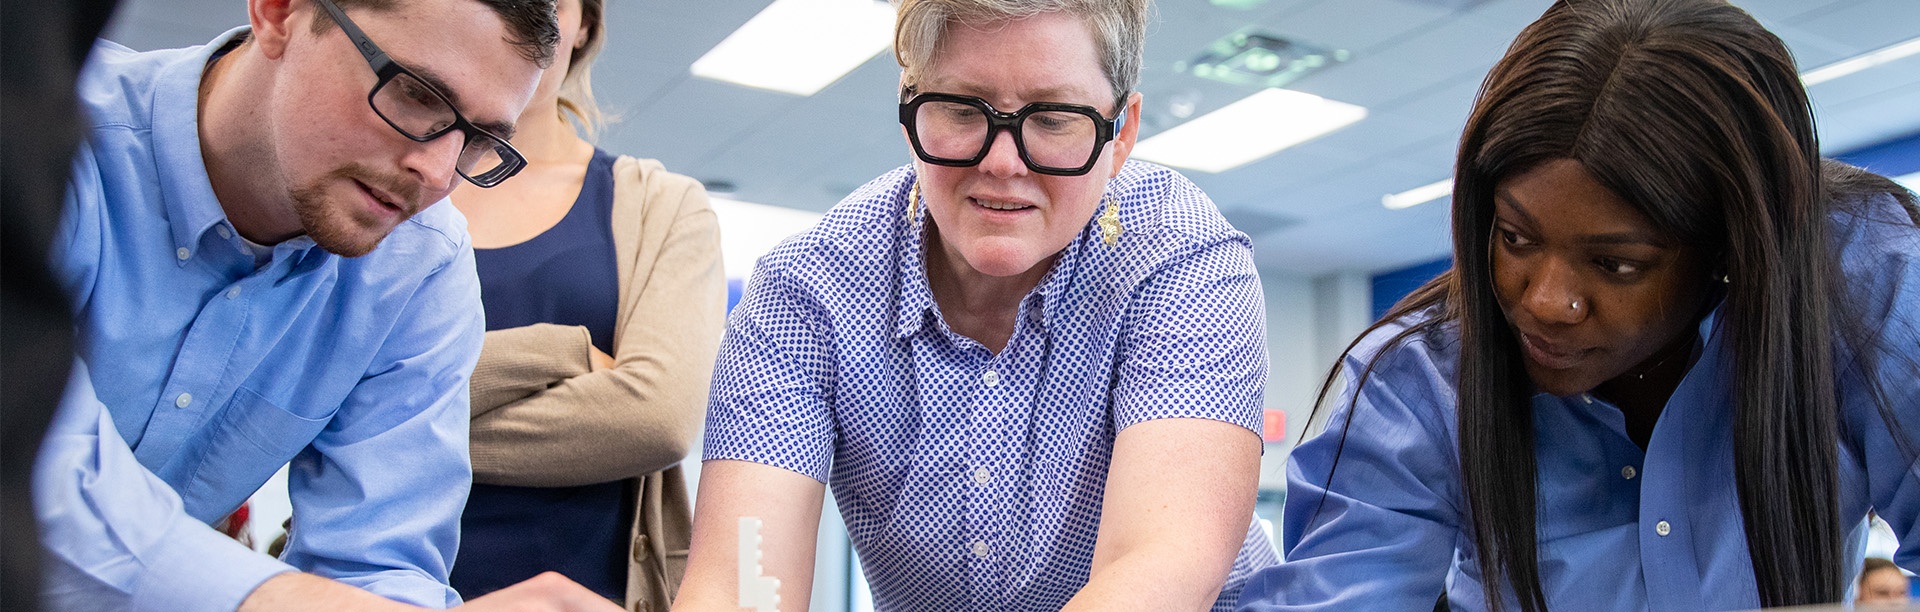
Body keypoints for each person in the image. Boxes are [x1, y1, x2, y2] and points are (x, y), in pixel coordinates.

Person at [1235, 0, 1920, 610]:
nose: (1546, 302)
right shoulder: (1420, 381)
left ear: (1727, 248)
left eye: (1616, 263)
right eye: (1515, 238)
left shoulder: (1860, 286)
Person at [674, 1, 1277, 610]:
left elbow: (1160, 569)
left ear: (1121, 134)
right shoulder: (807, 291)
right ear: (909, 114)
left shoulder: (1180, 254)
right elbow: (747, 581)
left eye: (1054, 119)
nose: (1002, 162)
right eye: (964, 111)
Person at [37, 0, 613, 609]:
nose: (438, 173)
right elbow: (31, 481)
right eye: (415, 95)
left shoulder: (418, 269)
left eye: (479, 141)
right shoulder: (44, 134)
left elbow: (375, 564)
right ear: (279, 13)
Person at [445, 0, 723, 607]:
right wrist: (561, 351)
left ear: (586, 25)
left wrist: (391, 419)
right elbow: (327, 396)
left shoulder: (662, 205)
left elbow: (657, 419)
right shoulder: (395, 182)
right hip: (374, 588)